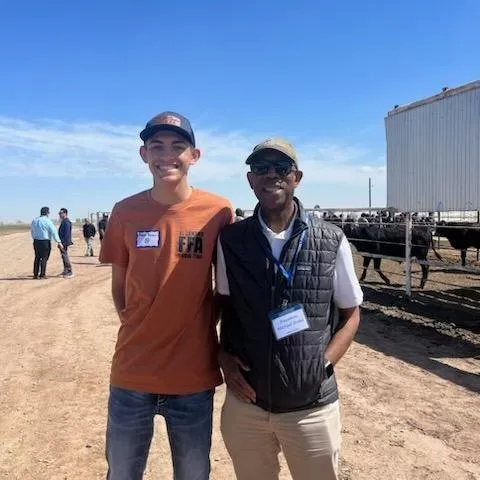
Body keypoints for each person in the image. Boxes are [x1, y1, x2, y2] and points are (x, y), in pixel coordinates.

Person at [215, 138, 363, 480]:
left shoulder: (331, 239)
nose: (272, 175)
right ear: (250, 180)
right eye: (261, 168)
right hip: (247, 407)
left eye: (281, 168)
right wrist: (221, 355)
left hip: (311, 408)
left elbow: (351, 314)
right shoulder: (231, 240)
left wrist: (323, 365)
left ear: (296, 177)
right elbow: (223, 305)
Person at [99, 111, 233, 480]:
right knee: (122, 473)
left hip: (192, 377)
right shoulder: (125, 212)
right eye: (156, 146)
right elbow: (119, 286)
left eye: (178, 146)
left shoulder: (219, 212)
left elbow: (224, 289)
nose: (166, 155)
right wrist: (142, 326)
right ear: (144, 155)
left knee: (193, 474)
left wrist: (196, 324)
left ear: (195, 155)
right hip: (132, 375)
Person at [30, 206, 63, 279]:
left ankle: (35, 275)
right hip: (45, 241)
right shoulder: (48, 221)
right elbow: (54, 232)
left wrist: (34, 238)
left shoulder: (34, 220)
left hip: (36, 241)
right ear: (47, 213)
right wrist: (58, 242)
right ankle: (42, 274)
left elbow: (32, 231)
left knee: (37, 257)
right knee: (44, 258)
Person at [58, 208, 74, 278]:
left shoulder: (66, 222)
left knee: (65, 256)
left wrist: (62, 243)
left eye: (61, 213)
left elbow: (67, 234)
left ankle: (69, 271)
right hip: (62, 242)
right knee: (63, 256)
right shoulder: (64, 221)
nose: (59, 214)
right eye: (59, 213)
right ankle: (65, 270)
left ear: (65, 213)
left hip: (64, 242)